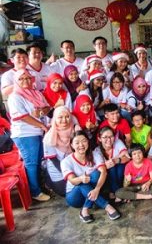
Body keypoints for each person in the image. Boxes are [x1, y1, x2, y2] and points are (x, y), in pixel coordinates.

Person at [8, 69, 51, 202]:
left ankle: (40, 187)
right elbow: (24, 117)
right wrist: (42, 125)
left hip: (36, 132)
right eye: (21, 79)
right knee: (32, 163)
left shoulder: (35, 93)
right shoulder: (15, 97)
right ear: (16, 81)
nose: (25, 81)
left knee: (38, 161)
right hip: (25, 134)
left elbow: (47, 107)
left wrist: (41, 112)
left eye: (27, 78)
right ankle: (35, 192)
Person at [61, 131, 121, 223]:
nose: (81, 145)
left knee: (97, 174)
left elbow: (103, 172)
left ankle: (85, 210)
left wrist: (97, 189)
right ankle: (107, 206)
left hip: (94, 192)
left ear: (88, 142)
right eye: (77, 142)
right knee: (81, 183)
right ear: (72, 145)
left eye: (84, 141)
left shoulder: (95, 154)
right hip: (75, 197)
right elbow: (72, 180)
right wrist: (81, 178)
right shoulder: (66, 161)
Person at [43, 106, 77, 196]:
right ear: (55, 119)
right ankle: (49, 182)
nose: (64, 120)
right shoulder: (49, 137)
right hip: (59, 171)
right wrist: (70, 174)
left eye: (67, 116)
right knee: (68, 192)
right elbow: (54, 161)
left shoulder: (75, 130)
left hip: (75, 166)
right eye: (60, 117)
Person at [94, 126, 130, 201]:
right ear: (99, 139)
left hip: (119, 173)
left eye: (111, 136)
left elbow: (127, 157)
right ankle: (119, 193)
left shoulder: (117, 142)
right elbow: (102, 168)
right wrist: (111, 162)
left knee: (120, 166)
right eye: (105, 137)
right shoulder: (97, 151)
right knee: (111, 168)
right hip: (106, 177)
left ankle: (116, 192)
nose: (109, 140)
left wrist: (116, 160)